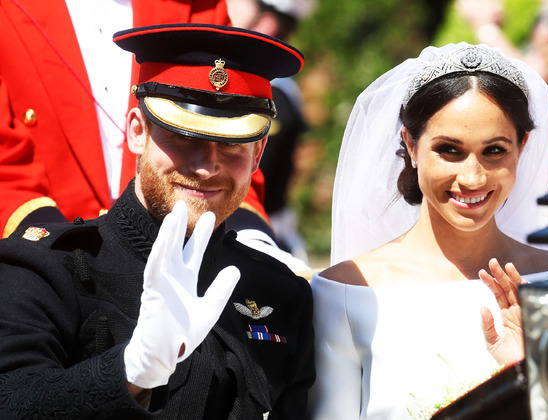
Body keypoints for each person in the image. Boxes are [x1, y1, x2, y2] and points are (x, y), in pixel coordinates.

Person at [0, 23, 314, 419]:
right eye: (183, 137)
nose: (206, 166)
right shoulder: (44, 267)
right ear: (137, 131)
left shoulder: (281, 291)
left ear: (258, 153)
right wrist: (131, 371)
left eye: (232, 144)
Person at [309, 43, 548, 419]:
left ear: (522, 147)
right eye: (450, 150)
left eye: (495, 151)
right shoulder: (347, 291)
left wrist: (526, 376)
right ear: (412, 146)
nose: (472, 177)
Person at [0, 0, 282, 270]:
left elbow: (225, 133)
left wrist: (255, 246)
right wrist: (55, 254)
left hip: (175, 258)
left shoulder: (196, 3)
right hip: (38, 254)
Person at [227, 0, 314, 263]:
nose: (269, 27)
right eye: (260, 11)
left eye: (283, 24)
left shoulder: (283, 96)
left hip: (265, 231)